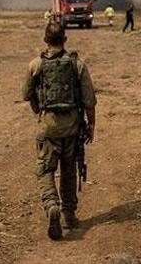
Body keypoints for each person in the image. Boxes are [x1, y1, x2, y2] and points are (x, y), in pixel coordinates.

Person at [22, 22, 96, 240]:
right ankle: (69, 215)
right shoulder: (77, 65)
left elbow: (26, 94)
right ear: (64, 40)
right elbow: (89, 100)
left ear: (46, 40)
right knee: (69, 171)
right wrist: (91, 125)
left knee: (45, 170)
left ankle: (52, 204)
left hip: (48, 127)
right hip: (72, 128)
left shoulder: (36, 65)